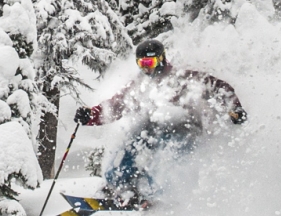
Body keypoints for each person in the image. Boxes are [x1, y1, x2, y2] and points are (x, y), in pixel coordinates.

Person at [74, 39, 247, 207]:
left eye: (149, 62)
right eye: (142, 64)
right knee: (130, 148)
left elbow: (217, 86)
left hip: (185, 128)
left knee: (166, 154)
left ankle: (156, 194)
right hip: (152, 127)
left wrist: (234, 108)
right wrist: (90, 115)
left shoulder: (182, 78)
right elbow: (116, 106)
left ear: (161, 59)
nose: (146, 69)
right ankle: (120, 186)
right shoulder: (139, 85)